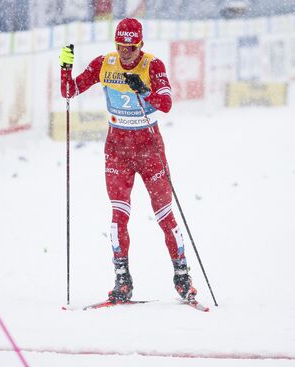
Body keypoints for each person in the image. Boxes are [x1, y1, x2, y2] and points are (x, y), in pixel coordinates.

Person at [59, 18, 197, 303]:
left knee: (164, 215)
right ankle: (123, 280)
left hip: (150, 149)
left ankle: (182, 276)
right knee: (118, 217)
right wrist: (65, 69)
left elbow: (167, 103)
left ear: (141, 45)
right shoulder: (104, 63)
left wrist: (144, 90)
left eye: (131, 48)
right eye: (120, 46)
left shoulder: (153, 65)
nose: (125, 53)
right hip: (117, 150)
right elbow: (69, 92)